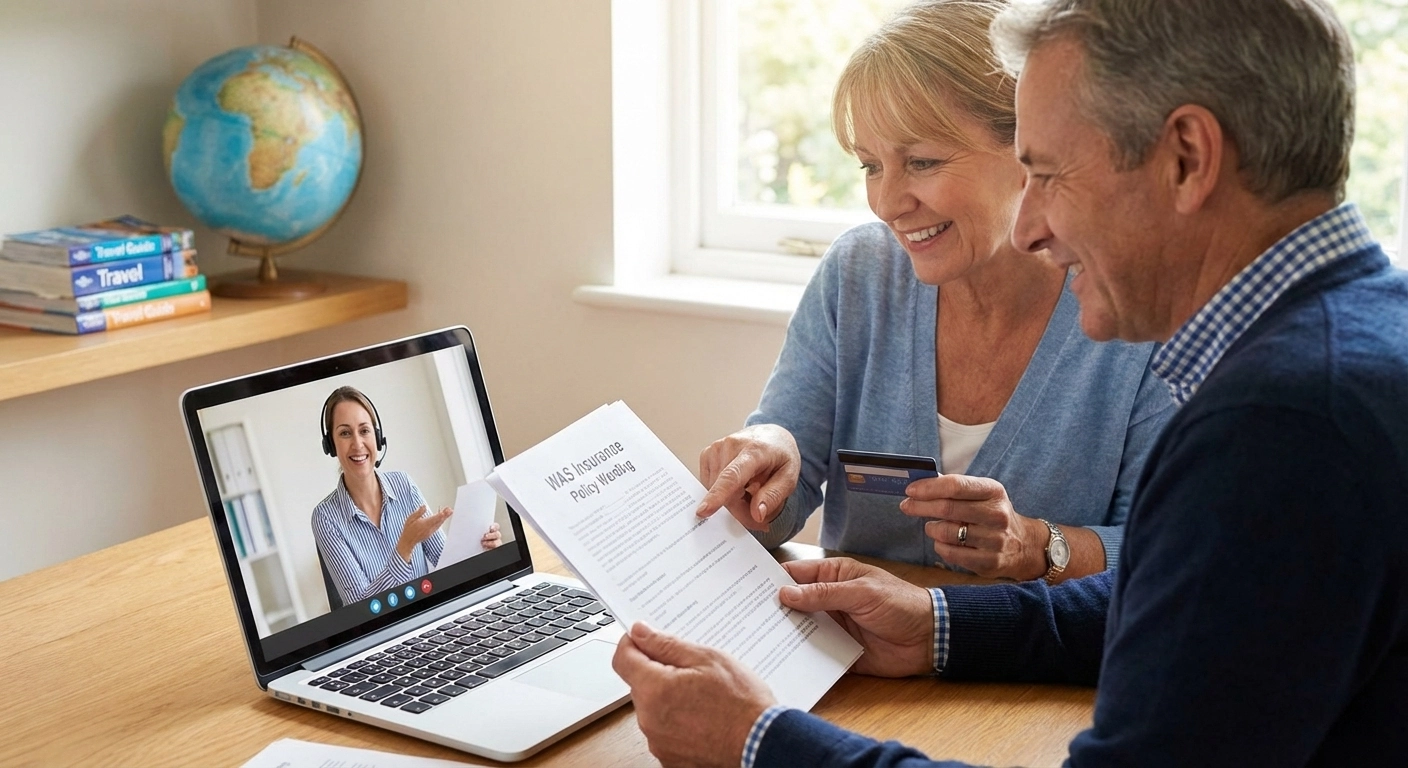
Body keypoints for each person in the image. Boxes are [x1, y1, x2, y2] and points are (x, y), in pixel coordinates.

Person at [614, 0, 1408, 765]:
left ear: (1187, 158)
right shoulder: (1356, 344)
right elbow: (1178, 601)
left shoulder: (1285, 421)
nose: (1031, 227)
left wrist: (761, 744)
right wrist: (941, 626)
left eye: (1051, 174)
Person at [696, 0, 1174, 583]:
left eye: (922, 162)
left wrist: (1038, 546)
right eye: (871, 166)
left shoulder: (1135, 309)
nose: (887, 203)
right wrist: (762, 470)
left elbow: (1172, 550)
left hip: (1028, 645)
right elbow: (776, 507)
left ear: (1029, 149)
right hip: (853, 637)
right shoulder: (858, 274)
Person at [311, 386, 501, 605]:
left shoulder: (403, 484)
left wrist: (482, 549)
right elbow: (361, 606)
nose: (357, 444)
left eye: (364, 431)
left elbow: (447, 563)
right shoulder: (325, 517)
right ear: (331, 445)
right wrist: (405, 546)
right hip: (386, 627)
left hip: (432, 611)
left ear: (377, 437)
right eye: (345, 433)